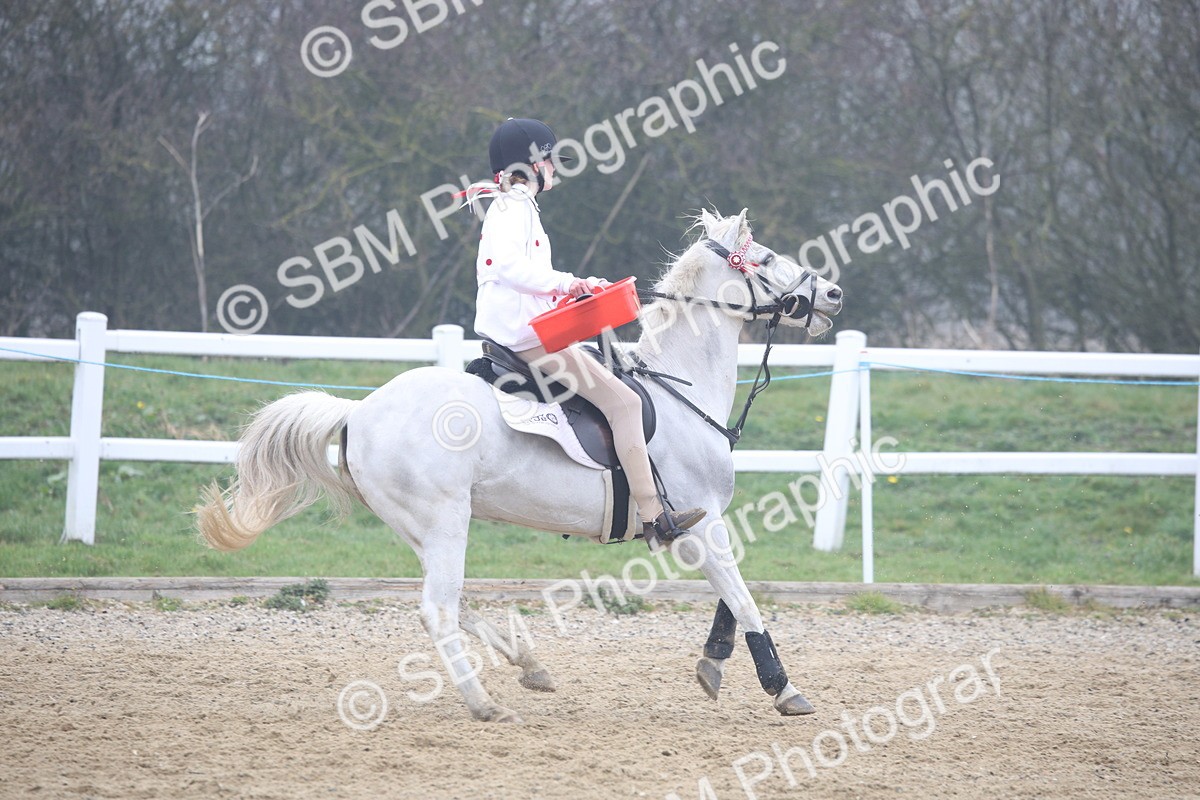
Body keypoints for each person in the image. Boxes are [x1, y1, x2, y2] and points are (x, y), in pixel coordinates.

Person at [468, 117, 705, 541]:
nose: (556, 169)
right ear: (533, 163)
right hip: (526, 341)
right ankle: (655, 518)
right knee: (627, 403)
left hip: (527, 331)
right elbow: (508, 268)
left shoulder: (515, 205)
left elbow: (521, 282)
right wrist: (566, 282)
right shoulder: (513, 206)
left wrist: (571, 294)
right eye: (552, 161)